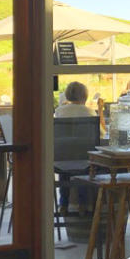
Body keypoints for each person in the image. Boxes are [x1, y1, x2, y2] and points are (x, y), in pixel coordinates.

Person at [55, 81, 95, 215]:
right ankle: (83, 204)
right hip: (84, 159)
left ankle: (63, 204)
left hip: (61, 159)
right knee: (84, 172)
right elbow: (99, 134)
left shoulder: (59, 111)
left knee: (63, 172)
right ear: (85, 96)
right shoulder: (89, 111)